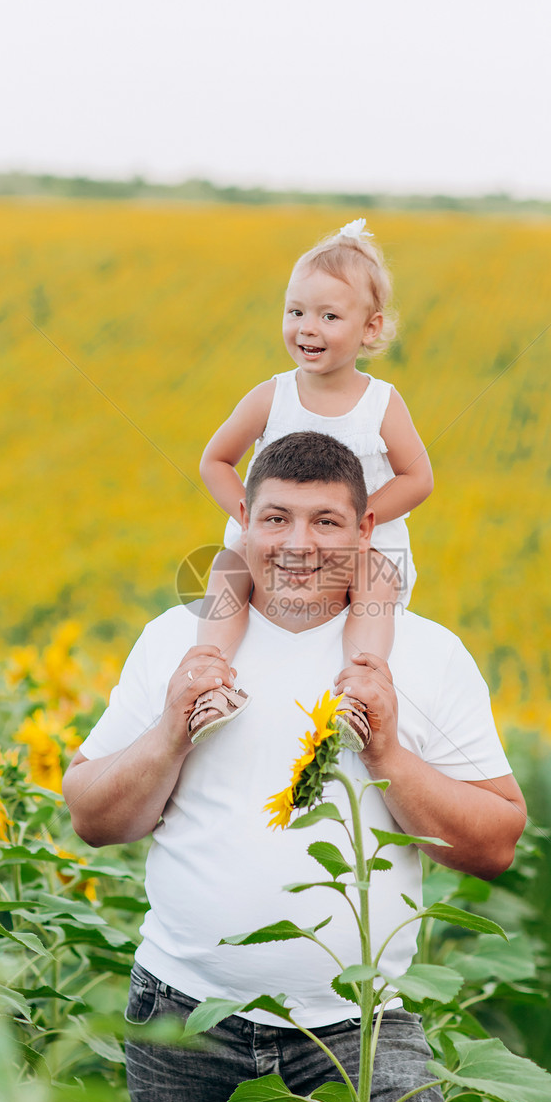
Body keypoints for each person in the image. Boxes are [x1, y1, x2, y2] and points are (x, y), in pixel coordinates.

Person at [63, 431, 526, 1102]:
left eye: (325, 522)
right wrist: (171, 734)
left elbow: (496, 843)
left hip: (362, 1038)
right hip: (183, 1026)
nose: (299, 545)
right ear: (242, 521)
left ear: (366, 532)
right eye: (276, 519)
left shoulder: (425, 656)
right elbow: (93, 817)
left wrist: (386, 753)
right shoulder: (177, 642)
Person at [186, 218, 434, 752]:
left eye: (328, 316)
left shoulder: (381, 403)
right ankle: (212, 676)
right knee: (226, 567)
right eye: (295, 312)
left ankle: (360, 690)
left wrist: (356, 527)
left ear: (370, 328)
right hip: (277, 544)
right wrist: (252, 523)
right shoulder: (270, 396)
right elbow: (216, 460)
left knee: (374, 582)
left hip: (359, 546)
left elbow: (419, 479)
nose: (307, 328)